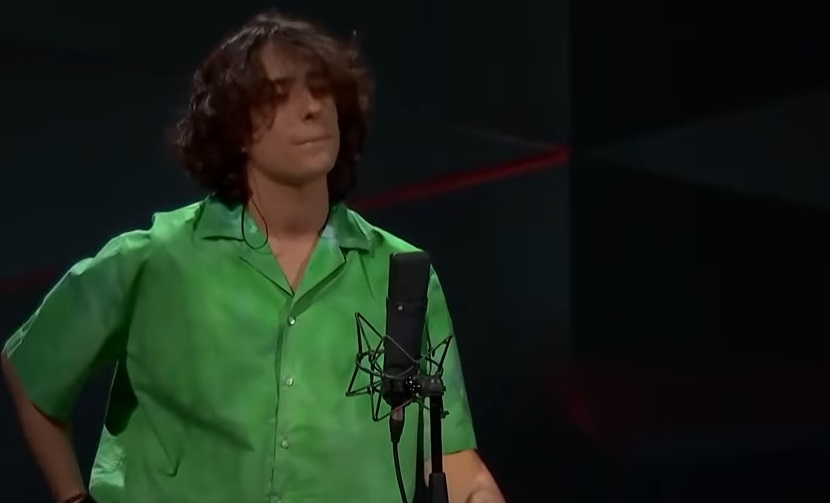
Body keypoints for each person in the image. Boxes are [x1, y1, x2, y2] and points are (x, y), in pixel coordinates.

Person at [1, 9, 506, 503]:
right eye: (278, 95)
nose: (312, 108)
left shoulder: (402, 275)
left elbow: (451, 461)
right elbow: (31, 368)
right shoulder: (156, 259)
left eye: (321, 88)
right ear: (235, 127)